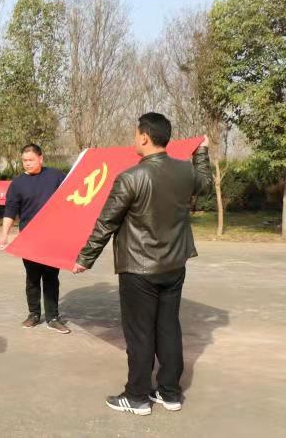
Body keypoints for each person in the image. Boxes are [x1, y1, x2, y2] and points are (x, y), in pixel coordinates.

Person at [73, 113, 212, 415]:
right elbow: (206, 184)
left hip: (139, 268)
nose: (134, 138)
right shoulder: (185, 172)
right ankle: (170, 393)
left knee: (140, 333)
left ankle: (137, 396)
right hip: (174, 266)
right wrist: (201, 152)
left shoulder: (131, 178)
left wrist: (85, 258)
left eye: (136, 134)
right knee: (168, 327)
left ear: (145, 137)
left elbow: (106, 223)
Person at [0, 144, 70, 334]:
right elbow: (10, 211)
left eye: (31, 160)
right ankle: (34, 314)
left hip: (53, 237)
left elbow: (72, 199)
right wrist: (4, 235)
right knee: (32, 278)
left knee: (51, 278)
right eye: (24, 160)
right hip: (29, 239)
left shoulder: (56, 176)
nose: (27, 163)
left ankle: (53, 317)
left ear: (41, 158)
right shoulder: (18, 183)